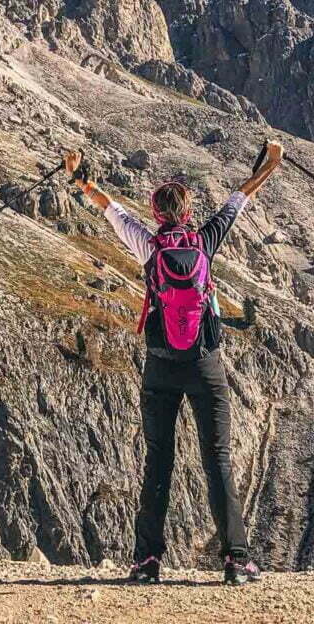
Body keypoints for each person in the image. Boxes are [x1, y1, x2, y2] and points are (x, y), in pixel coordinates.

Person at [62, 139, 285, 586]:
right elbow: (242, 197)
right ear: (187, 212)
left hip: (160, 365)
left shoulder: (147, 245)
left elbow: (108, 207)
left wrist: (79, 176)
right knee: (217, 459)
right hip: (206, 364)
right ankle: (236, 561)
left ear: (157, 213)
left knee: (158, 460)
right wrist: (271, 163)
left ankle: (147, 562)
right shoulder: (205, 240)